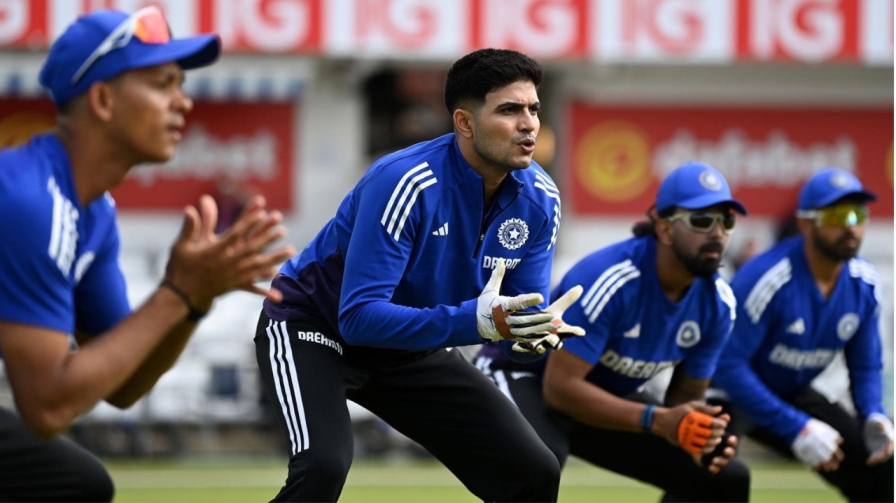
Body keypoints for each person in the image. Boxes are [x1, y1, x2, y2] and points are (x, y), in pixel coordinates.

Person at [256, 48, 583, 502]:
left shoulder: (542, 198)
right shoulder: (405, 180)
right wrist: (479, 323)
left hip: (412, 346)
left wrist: (530, 338)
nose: (529, 124)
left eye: (533, 109)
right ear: (465, 123)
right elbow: (358, 318)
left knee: (534, 471)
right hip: (314, 328)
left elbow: (512, 321)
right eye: (509, 110)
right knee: (323, 466)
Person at [0, 8, 294, 502]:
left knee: (77, 484)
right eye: (162, 84)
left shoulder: (92, 212)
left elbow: (123, 385)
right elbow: (47, 406)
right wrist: (177, 293)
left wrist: (192, 302)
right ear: (103, 99)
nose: (184, 102)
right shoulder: (29, 199)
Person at [475, 162, 752, 502]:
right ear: (664, 229)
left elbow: (683, 402)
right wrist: (656, 419)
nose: (717, 233)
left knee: (723, 477)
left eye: (727, 221)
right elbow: (560, 390)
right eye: (701, 220)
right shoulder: (611, 280)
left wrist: (698, 433)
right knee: (540, 462)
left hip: (597, 399)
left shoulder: (720, 303)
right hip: (524, 374)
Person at [712, 167, 894, 502]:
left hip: (791, 392)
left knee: (883, 466)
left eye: (858, 214)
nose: (850, 225)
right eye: (836, 216)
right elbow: (728, 366)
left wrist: (873, 414)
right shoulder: (767, 278)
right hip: (729, 395)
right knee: (715, 474)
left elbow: (865, 365)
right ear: (806, 223)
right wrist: (796, 427)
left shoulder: (863, 283)